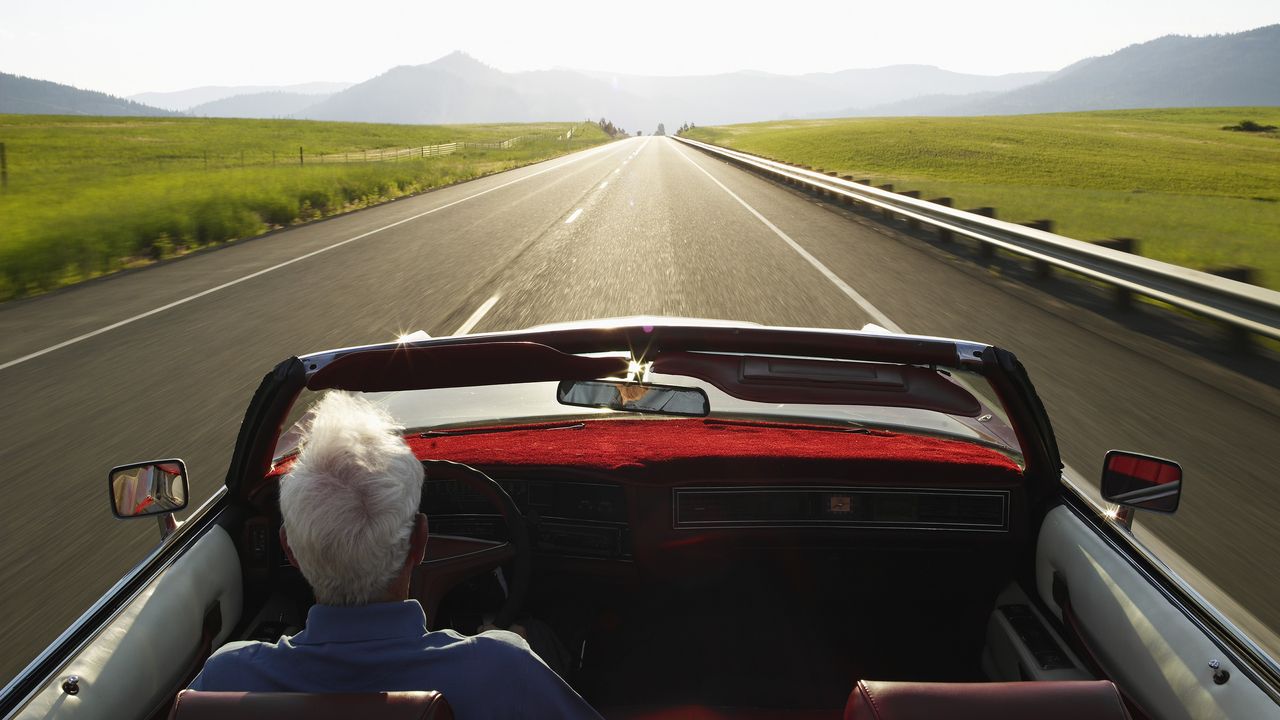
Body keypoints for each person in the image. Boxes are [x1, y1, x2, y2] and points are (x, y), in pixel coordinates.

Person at [190, 392, 602, 719]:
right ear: (420, 541)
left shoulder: (228, 678)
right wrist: (502, 639)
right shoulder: (503, 669)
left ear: (290, 549)